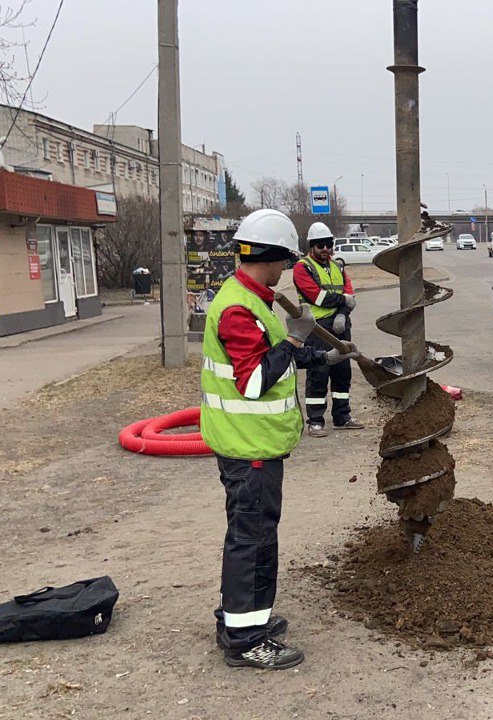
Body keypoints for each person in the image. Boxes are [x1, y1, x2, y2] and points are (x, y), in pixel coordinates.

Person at [200, 209, 358, 669]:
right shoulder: (237, 307)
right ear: (268, 257)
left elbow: (272, 355)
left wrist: (318, 355)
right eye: (284, 261)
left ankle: (243, 618)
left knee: (254, 534)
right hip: (248, 448)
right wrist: (291, 342)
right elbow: (253, 381)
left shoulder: (253, 299)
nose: (287, 269)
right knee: (251, 539)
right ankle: (244, 639)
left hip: (255, 446)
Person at [293, 222, 363, 437]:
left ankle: (342, 417)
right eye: (320, 245)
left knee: (342, 373)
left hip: (341, 326)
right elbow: (317, 297)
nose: (325, 249)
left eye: (328, 244)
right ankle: (315, 420)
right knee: (318, 373)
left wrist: (343, 313)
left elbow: (350, 295)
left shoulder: (338, 266)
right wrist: (343, 302)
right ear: (311, 246)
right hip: (317, 328)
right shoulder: (302, 268)